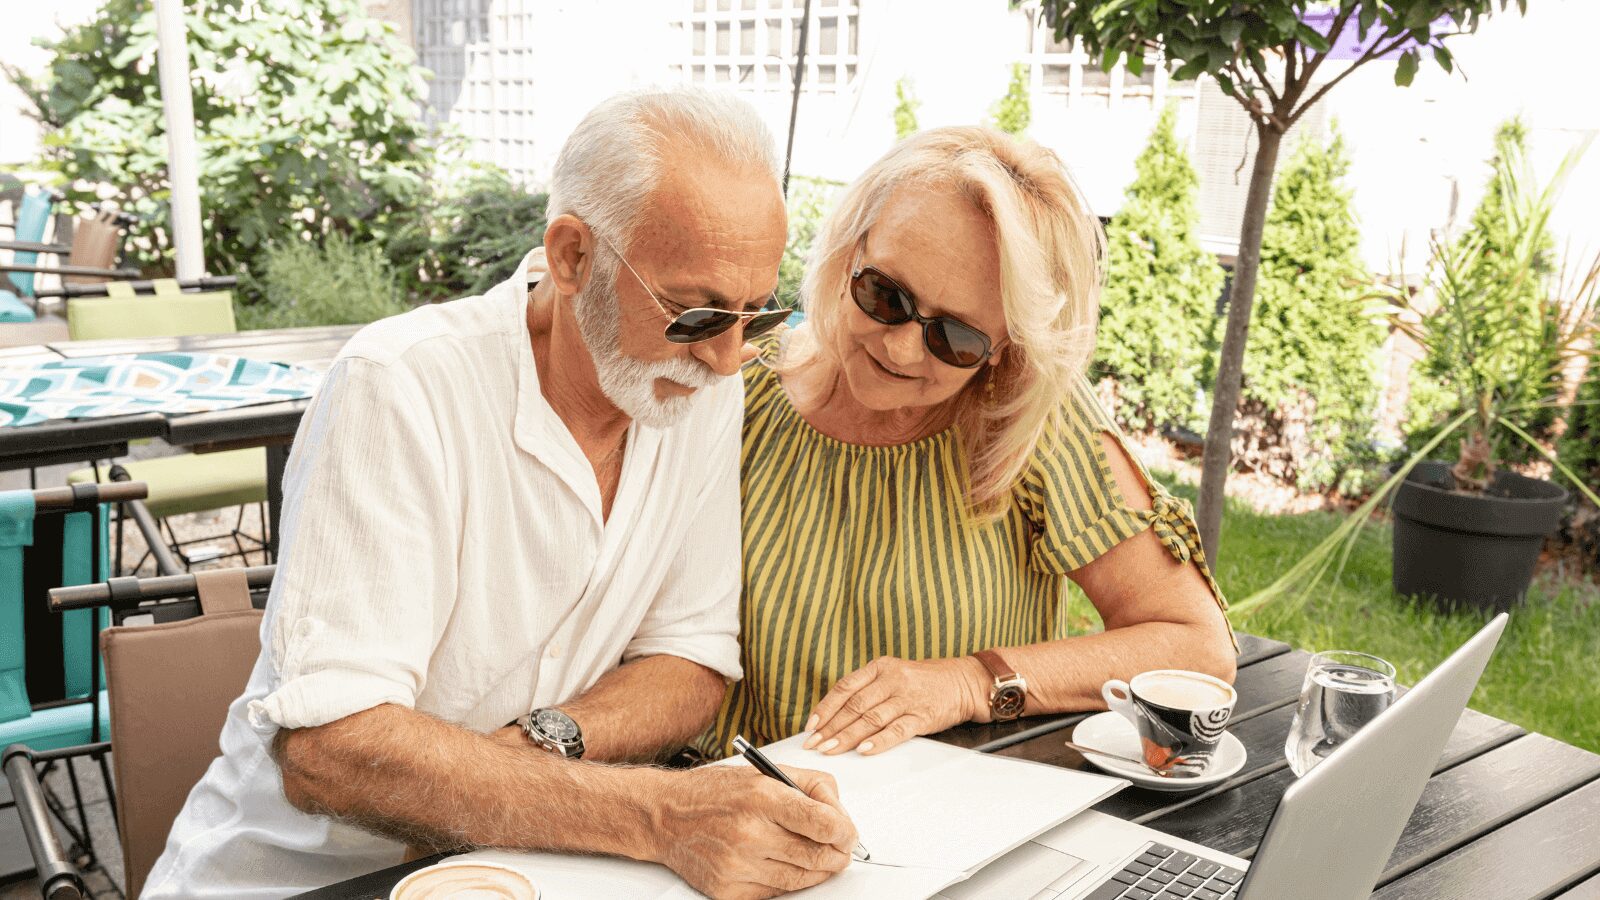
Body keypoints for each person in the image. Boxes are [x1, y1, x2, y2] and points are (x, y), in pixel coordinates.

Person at [143, 87, 856, 900]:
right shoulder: (400, 388)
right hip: (307, 880)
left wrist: (535, 752)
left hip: (530, 869)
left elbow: (691, 659)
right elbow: (329, 750)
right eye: (694, 315)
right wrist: (657, 815)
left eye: (754, 316)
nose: (728, 359)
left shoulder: (698, 386)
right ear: (572, 255)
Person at [700, 126, 1237, 759]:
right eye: (885, 296)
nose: (898, 347)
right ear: (851, 251)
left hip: (955, 818)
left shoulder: (1029, 413)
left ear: (1006, 347)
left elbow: (1196, 646)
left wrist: (970, 681)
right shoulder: (735, 389)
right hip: (735, 805)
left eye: (955, 337)